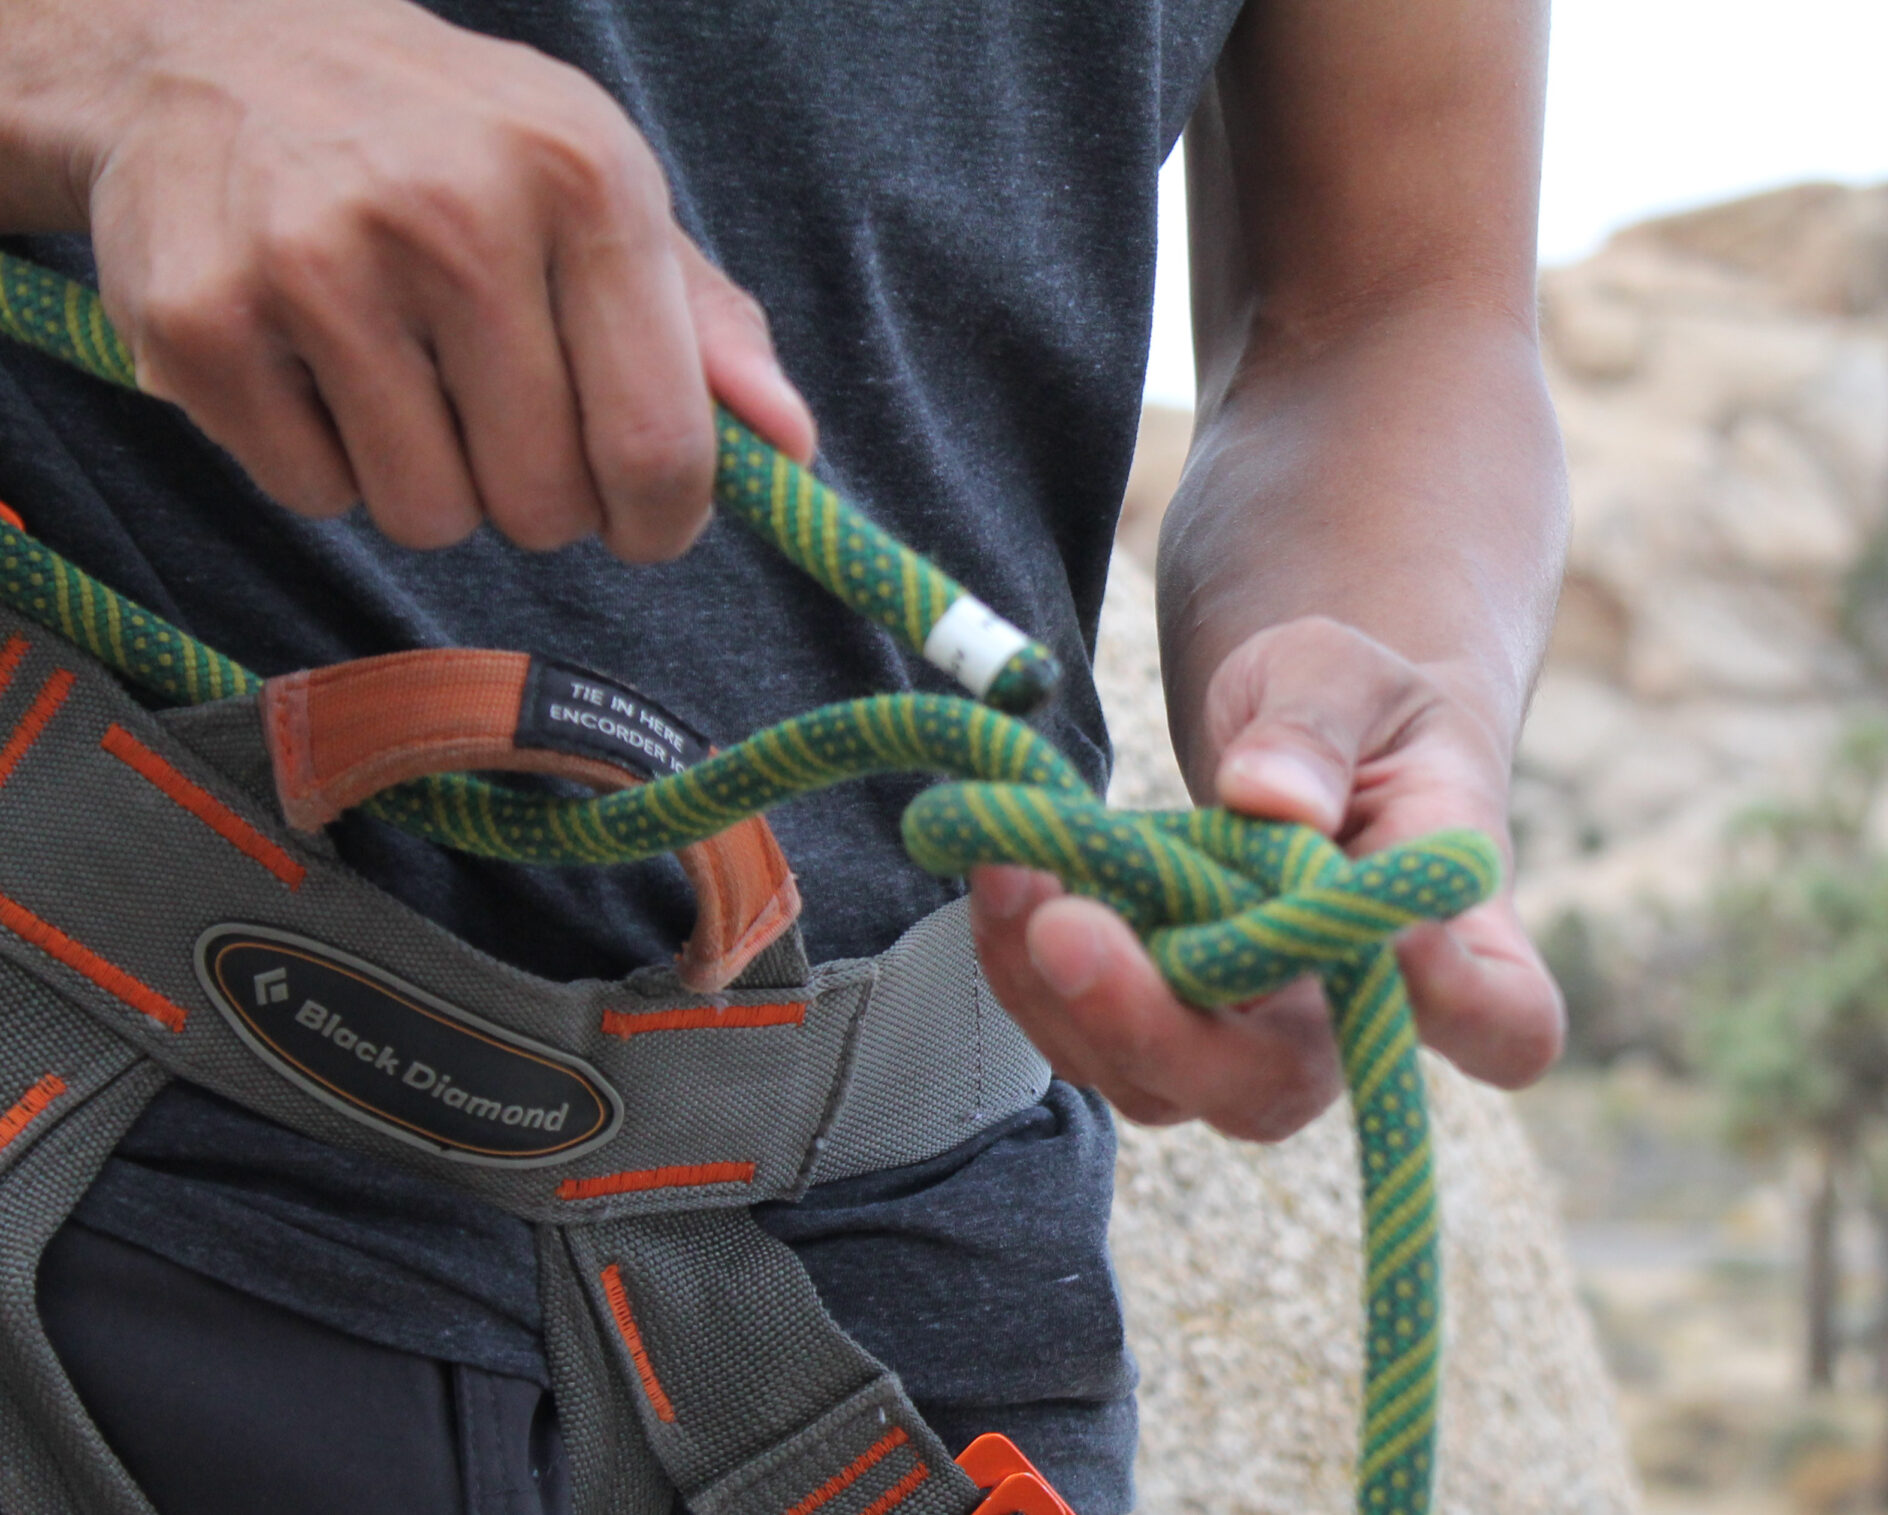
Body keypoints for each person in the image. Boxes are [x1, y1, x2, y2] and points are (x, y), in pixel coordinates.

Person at [0, 0, 1568, 1509]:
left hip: (919, 1299)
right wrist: (130, 54)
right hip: (85, 1101)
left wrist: (1375, 685)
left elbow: (1394, 298)